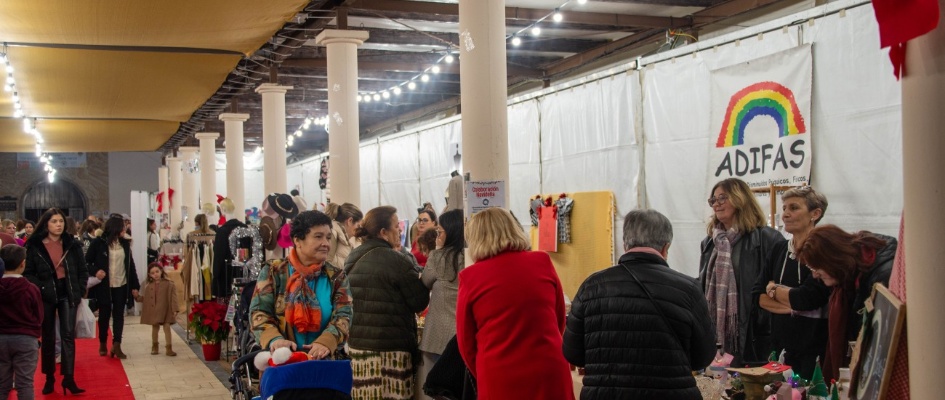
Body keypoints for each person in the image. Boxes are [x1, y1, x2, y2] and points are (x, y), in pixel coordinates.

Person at [563, 209, 715, 399]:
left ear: (625, 243)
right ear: (666, 248)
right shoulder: (689, 289)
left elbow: (573, 354)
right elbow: (703, 357)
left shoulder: (592, 286)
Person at [457, 208, 574, 400]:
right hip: (548, 369)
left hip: (499, 376)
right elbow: (559, 318)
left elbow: (466, 344)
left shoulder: (470, 277)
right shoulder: (542, 261)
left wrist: (486, 370)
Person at [345, 206, 430, 399]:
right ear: (383, 232)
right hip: (392, 350)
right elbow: (419, 301)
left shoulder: (353, 256)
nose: (400, 230)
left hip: (359, 347)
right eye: (395, 226)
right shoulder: (397, 260)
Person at [699, 178, 784, 366]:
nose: (717, 204)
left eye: (722, 198)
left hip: (754, 333)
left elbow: (776, 286)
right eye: (713, 200)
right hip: (716, 334)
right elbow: (703, 285)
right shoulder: (709, 243)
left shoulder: (767, 239)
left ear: (740, 199)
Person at [796, 225, 896, 382]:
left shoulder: (882, 277)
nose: (815, 275)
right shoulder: (848, 280)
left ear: (832, 260)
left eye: (816, 268)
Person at [250, 211, 353, 360]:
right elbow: (259, 312)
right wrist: (275, 340)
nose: (326, 243)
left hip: (324, 365)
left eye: (328, 237)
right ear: (298, 240)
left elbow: (344, 315)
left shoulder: (336, 277)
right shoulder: (274, 272)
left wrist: (325, 342)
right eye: (318, 236)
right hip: (282, 364)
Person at [752, 187, 830, 379]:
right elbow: (757, 296)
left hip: (813, 350)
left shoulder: (823, 249)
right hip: (779, 348)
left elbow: (807, 298)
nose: (785, 214)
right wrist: (792, 305)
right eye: (784, 208)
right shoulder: (779, 249)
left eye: (794, 208)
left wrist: (773, 289)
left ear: (815, 213)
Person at [23, 208, 88, 395]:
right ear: (46, 224)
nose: (58, 224)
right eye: (54, 221)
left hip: (68, 292)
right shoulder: (34, 245)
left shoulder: (72, 244)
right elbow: (28, 273)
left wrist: (81, 288)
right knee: (49, 337)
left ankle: (68, 378)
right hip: (46, 295)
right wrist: (41, 288)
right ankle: (49, 378)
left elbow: (82, 270)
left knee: (68, 336)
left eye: (61, 221)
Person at [417, 209, 465, 400]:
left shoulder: (438, 257)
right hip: (464, 335)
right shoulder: (474, 256)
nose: (437, 236)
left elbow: (425, 282)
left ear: (451, 232)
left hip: (438, 336)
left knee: (437, 390)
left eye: (440, 232)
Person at [86, 215, 140, 360]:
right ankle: (103, 341)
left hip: (121, 284)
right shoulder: (98, 243)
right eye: (122, 226)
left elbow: (130, 265)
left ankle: (117, 344)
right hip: (104, 285)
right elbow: (87, 262)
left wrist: (135, 286)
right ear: (115, 228)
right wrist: (96, 271)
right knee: (104, 315)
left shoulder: (125, 244)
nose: (125, 229)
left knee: (118, 315)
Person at [0, 244, 43, 400]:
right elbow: (39, 316)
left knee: (1, 384)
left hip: (1, 337)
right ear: (23, 263)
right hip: (26, 338)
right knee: (24, 384)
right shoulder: (31, 289)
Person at [136, 263, 179, 356]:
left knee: (167, 327)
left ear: (161, 271)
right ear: (149, 275)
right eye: (152, 273)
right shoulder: (148, 286)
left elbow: (173, 297)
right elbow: (145, 298)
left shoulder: (169, 284)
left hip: (166, 309)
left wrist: (175, 309)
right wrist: (137, 297)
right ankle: (154, 346)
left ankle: (169, 348)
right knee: (155, 327)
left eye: (157, 271)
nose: (155, 274)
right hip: (154, 310)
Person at [325, 202, 363, 268]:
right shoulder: (333, 234)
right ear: (350, 221)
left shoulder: (342, 237)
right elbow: (327, 263)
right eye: (358, 225)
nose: (359, 229)